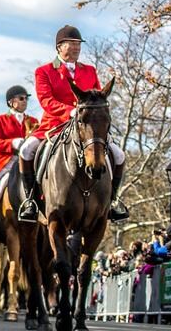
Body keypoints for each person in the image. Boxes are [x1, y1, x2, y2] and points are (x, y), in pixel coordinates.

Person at [16, 25, 127, 222]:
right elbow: (46, 100)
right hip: (54, 124)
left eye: (78, 44)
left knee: (119, 155)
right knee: (26, 150)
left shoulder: (90, 70)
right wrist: (70, 111)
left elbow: (98, 96)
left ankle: (113, 201)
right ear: (59, 47)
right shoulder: (44, 71)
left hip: (87, 126)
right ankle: (31, 201)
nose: (76, 48)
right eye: (71, 44)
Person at [0, 85, 39, 238]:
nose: (25, 101)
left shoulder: (33, 121)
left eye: (26, 98)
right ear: (11, 102)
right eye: (21, 98)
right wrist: (12, 143)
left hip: (27, 162)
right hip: (6, 162)